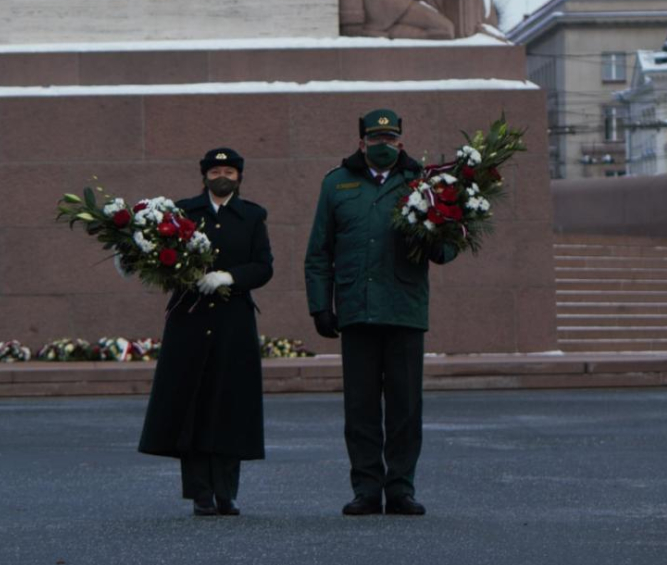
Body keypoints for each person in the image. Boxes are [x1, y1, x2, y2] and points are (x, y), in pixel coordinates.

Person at [303, 109, 457, 517]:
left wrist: (439, 233)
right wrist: (321, 305)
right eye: (376, 140)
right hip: (357, 311)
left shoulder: (422, 184)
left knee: (406, 408)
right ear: (361, 143)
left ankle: (401, 488)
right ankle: (366, 489)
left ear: (401, 142)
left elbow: (447, 247)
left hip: (404, 309)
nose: (383, 147)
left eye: (390, 140)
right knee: (361, 409)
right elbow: (320, 252)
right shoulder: (337, 184)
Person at [139, 147, 274, 517]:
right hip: (190, 320)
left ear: (239, 177)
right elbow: (160, 258)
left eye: (229, 170)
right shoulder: (182, 213)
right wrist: (184, 274)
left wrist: (230, 277)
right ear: (204, 176)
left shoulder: (251, 216)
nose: (222, 176)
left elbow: (263, 266)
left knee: (230, 405)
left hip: (234, 324)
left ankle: (227, 492)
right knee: (194, 404)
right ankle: (200, 492)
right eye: (216, 170)